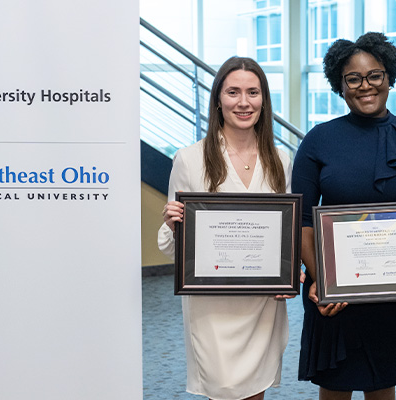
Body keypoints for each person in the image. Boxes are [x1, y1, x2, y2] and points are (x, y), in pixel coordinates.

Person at [292, 32, 396, 400]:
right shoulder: (318, 140)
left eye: (375, 75)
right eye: (353, 78)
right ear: (339, 86)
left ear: (389, 77)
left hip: (393, 292)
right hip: (333, 292)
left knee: (382, 381)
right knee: (335, 386)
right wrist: (320, 282)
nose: (365, 86)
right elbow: (302, 222)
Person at [157, 56, 292, 400]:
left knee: (255, 392)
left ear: (264, 99)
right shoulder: (189, 159)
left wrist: (291, 274)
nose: (244, 102)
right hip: (211, 306)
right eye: (233, 92)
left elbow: (284, 235)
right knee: (224, 389)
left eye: (253, 92)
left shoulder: (281, 161)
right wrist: (175, 226)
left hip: (262, 303)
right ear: (218, 98)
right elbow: (172, 247)